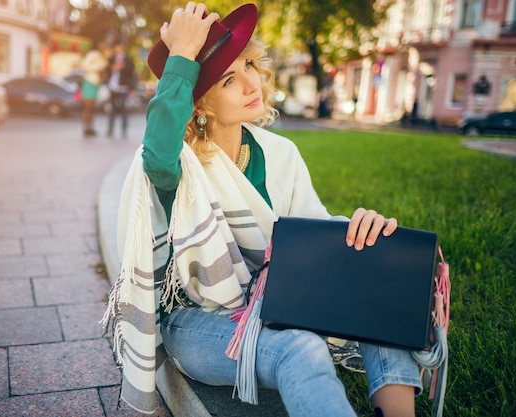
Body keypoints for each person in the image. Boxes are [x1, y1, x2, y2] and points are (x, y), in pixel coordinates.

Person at [102, 3, 422, 416]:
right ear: (199, 104)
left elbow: (318, 238)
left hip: (281, 300)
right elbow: (156, 154)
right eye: (230, 78)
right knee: (299, 348)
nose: (253, 82)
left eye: (250, 64)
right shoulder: (180, 165)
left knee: (375, 276)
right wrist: (181, 54)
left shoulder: (280, 153)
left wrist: (363, 232)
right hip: (198, 322)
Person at [79, 41, 111, 137]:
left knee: (93, 107)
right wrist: (97, 67)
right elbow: (84, 65)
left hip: (96, 83)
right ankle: (85, 127)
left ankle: (91, 127)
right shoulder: (94, 55)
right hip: (89, 81)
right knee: (87, 107)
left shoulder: (104, 60)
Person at [105, 40, 135, 138]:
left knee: (123, 110)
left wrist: (123, 67)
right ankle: (110, 129)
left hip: (123, 87)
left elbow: (132, 73)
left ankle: (124, 129)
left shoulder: (127, 59)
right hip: (113, 87)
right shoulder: (111, 58)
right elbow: (106, 70)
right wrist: (111, 68)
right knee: (111, 110)